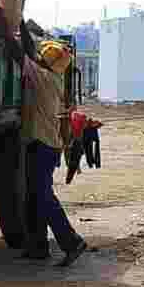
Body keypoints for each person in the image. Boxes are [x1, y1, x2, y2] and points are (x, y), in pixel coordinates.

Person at [21, 37, 87, 267]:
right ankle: (38, 247)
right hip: (45, 144)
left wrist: (16, 28)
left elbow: (23, 53)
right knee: (35, 194)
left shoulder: (43, 78)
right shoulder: (53, 78)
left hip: (42, 144)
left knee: (42, 195)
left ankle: (72, 241)